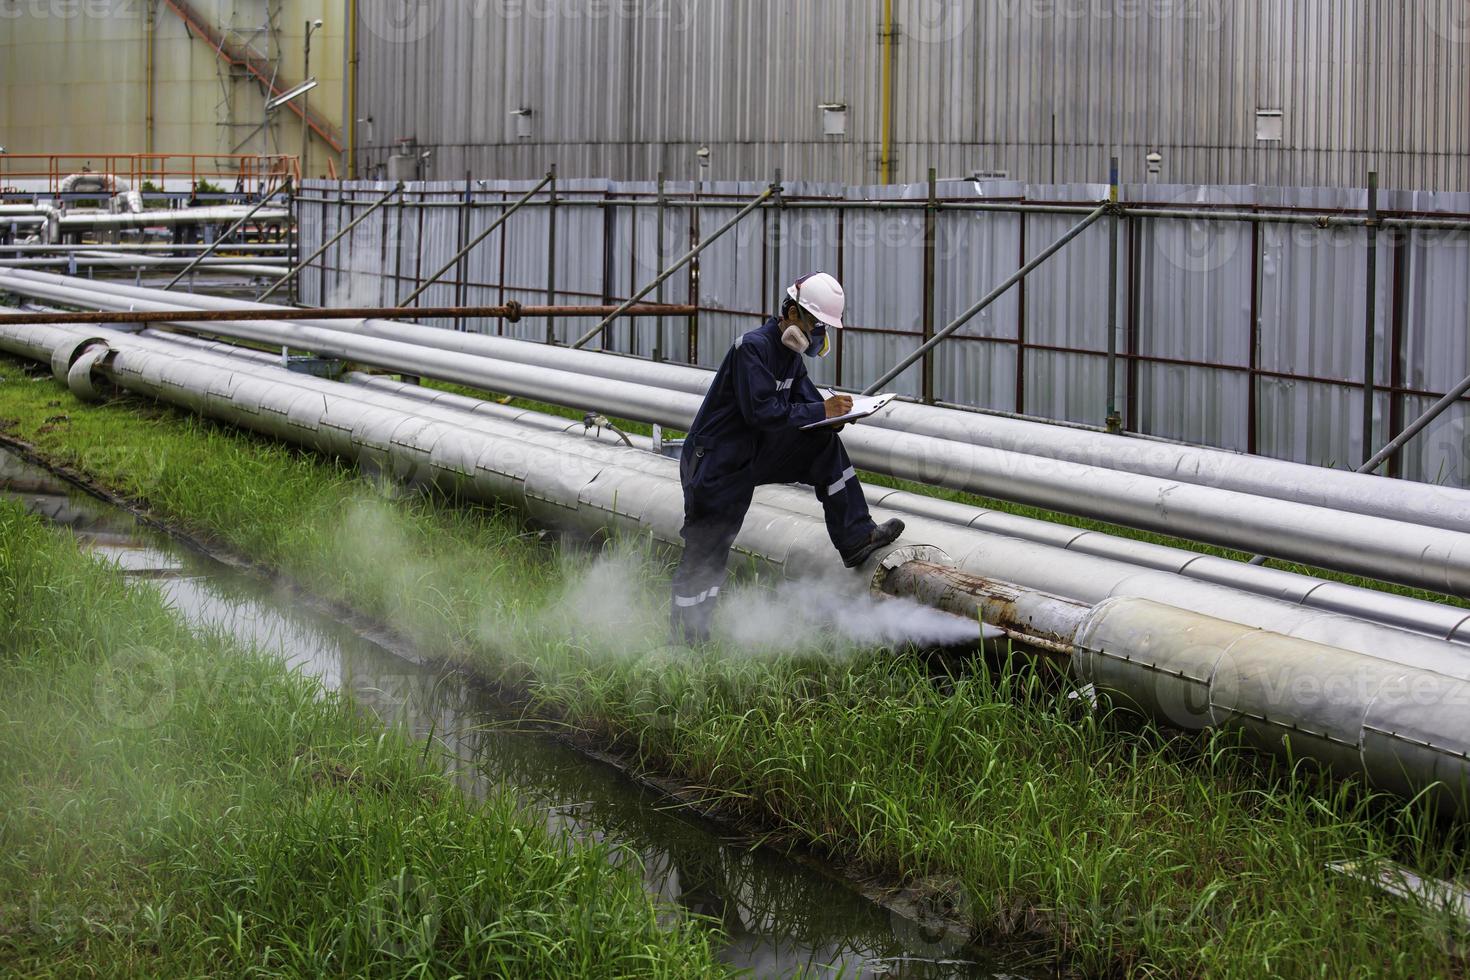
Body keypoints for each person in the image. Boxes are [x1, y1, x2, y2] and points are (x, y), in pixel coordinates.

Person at [670, 272, 905, 644]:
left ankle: (856, 536)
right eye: (816, 325)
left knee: (823, 448)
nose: (818, 337)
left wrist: (836, 417)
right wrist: (820, 413)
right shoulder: (752, 348)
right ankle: (686, 640)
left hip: (750, 455)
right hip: (715, 463)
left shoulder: (789, 357)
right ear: (792, 314)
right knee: (708, 551)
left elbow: (808, 403)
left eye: (824, 329)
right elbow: (761, 412)